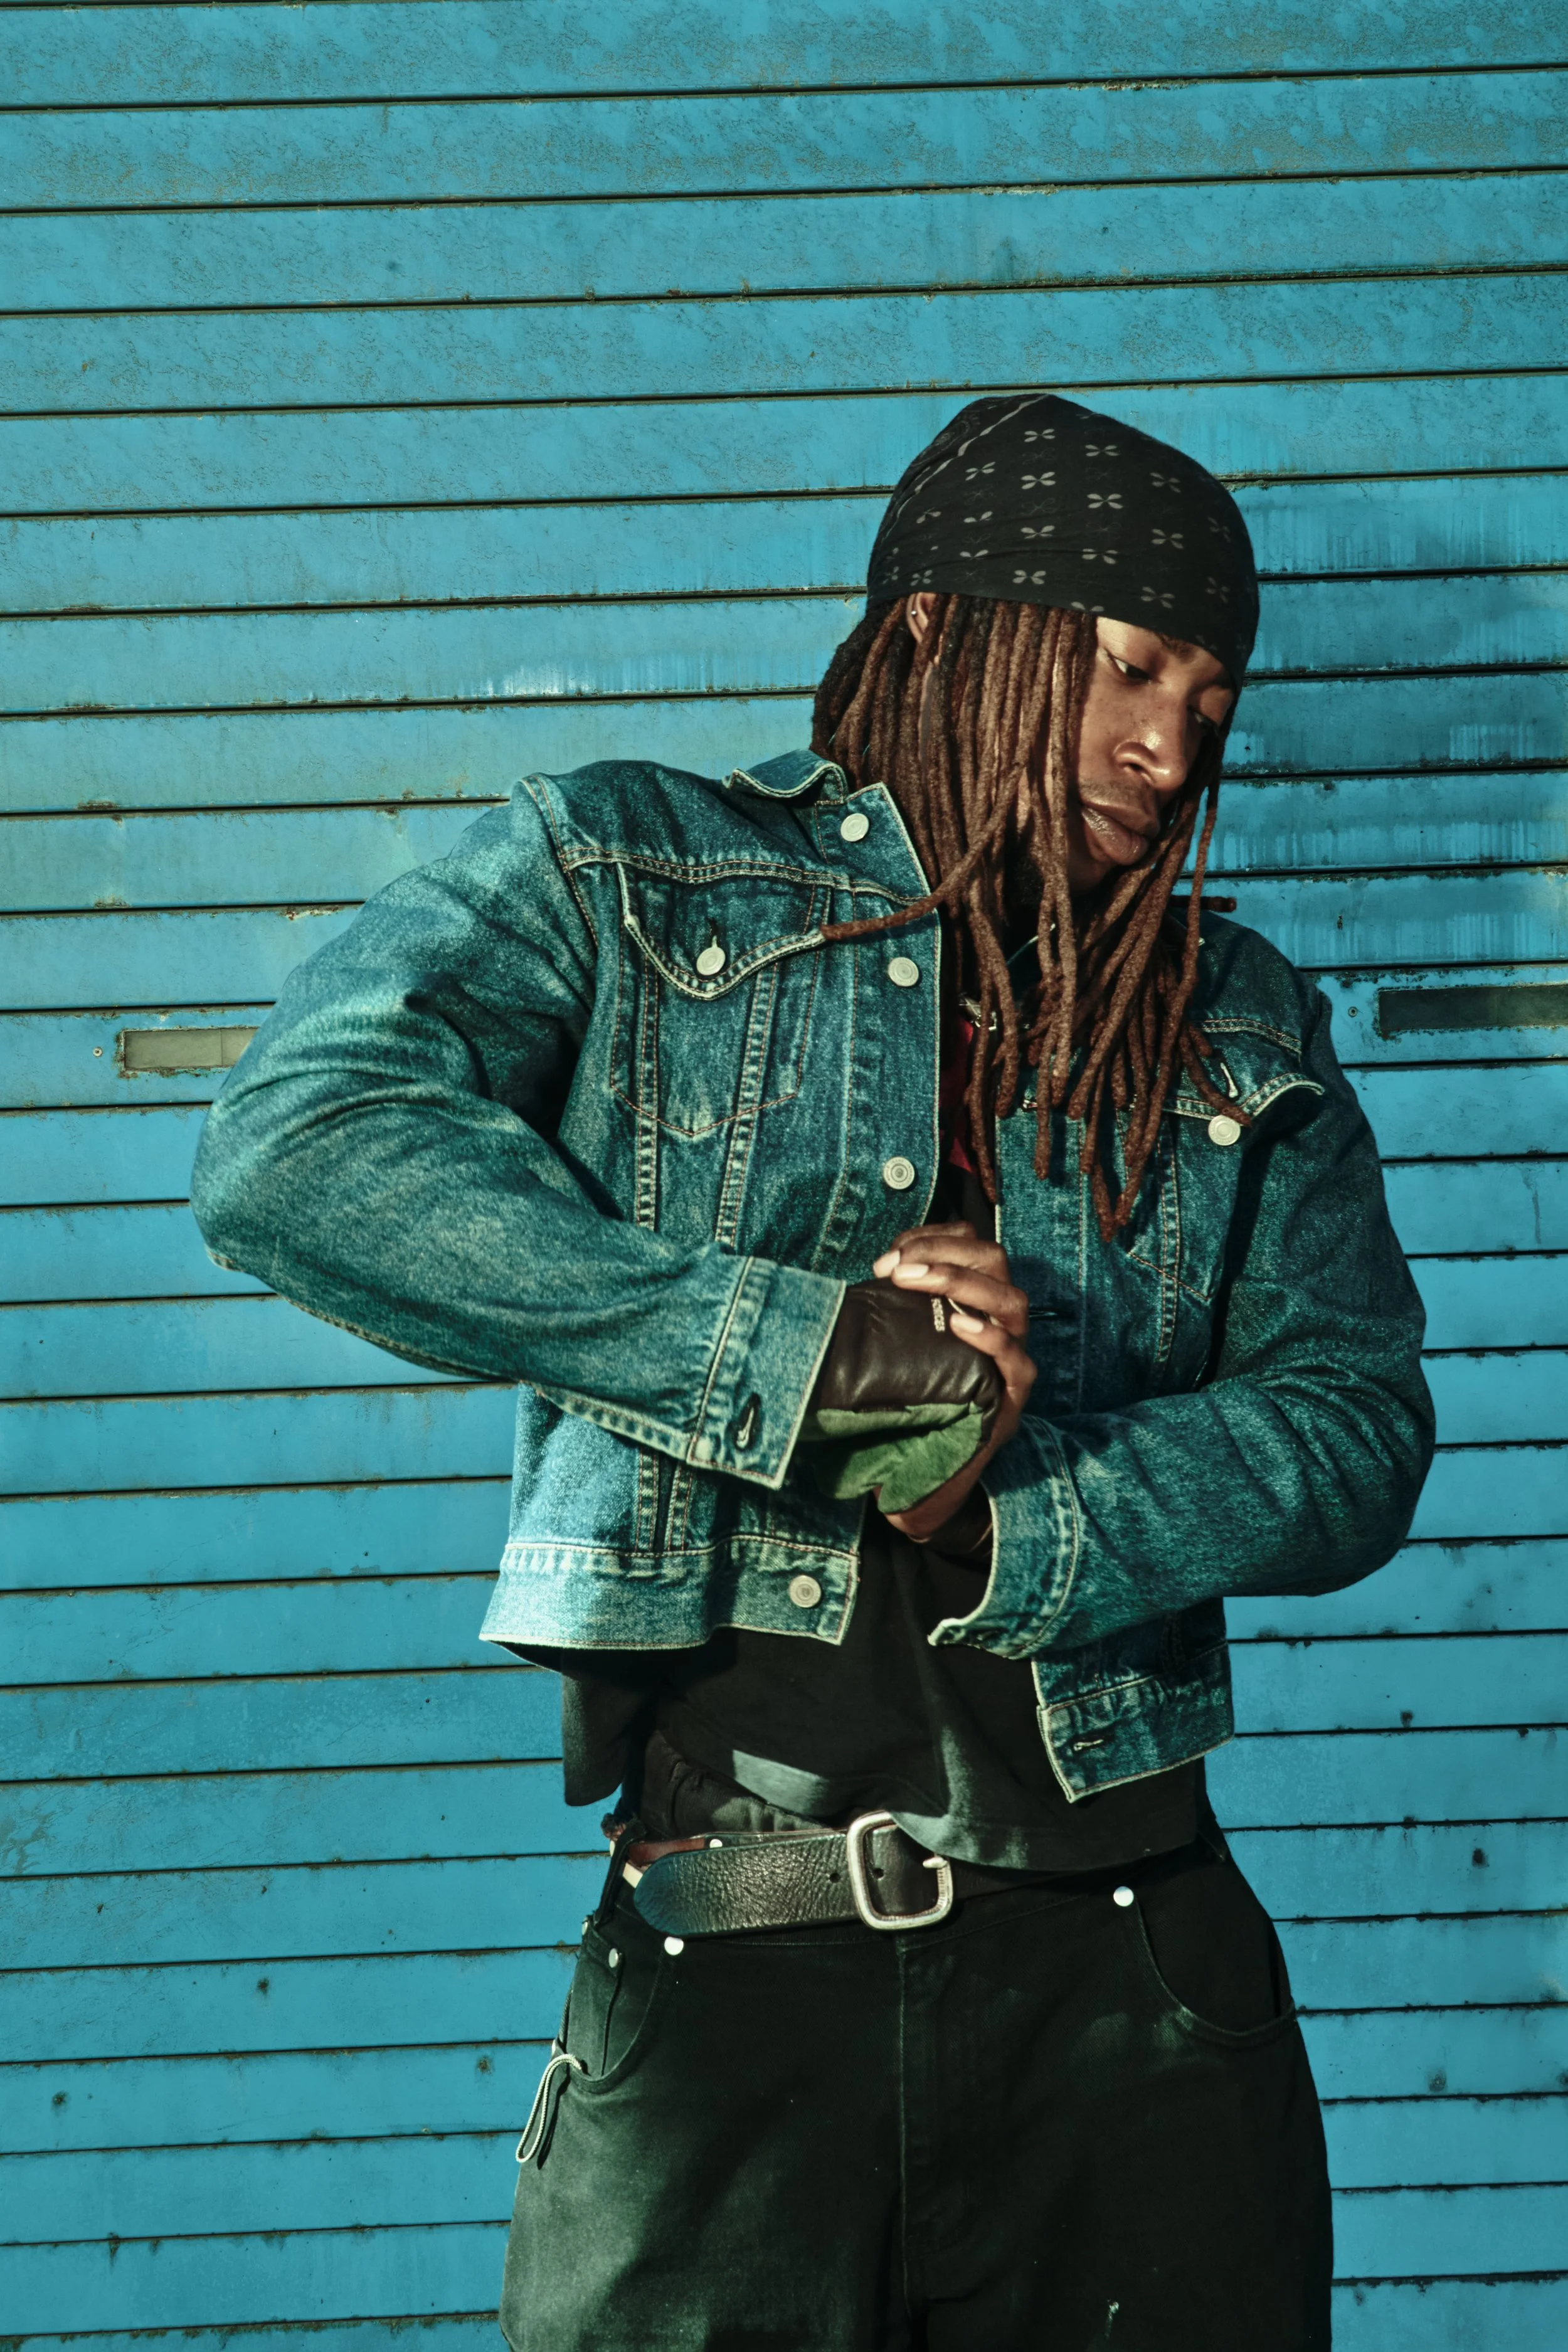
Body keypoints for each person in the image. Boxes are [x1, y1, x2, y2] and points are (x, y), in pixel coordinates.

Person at [191, 393, 1434, 2350]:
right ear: (942, 632)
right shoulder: (633, 877)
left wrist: (1000, 1487)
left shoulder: (1227, 1015)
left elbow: (1356, 1430)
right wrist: (808, 1356)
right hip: (728, 1972)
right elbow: (301, 1140)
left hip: (1134, 1992)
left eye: (1208, 695)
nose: (1169, 743)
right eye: (1124, 667)